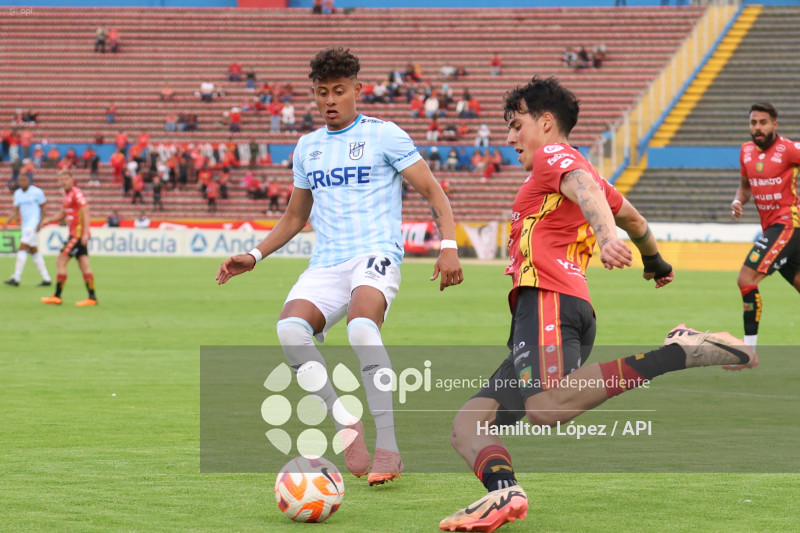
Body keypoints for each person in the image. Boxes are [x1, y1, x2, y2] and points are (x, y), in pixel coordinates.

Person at [438, 76, 754, 532]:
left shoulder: (555, 157)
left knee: (545, 407)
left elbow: (583, 185)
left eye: (515, 125)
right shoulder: (577, 174)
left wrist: (607, 241)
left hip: (550, 300)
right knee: (468, 426)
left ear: (546, 123)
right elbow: (635, 218)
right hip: (551, 312)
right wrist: (656, 261)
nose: (509, 138)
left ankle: (677, 352)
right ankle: (503, 493)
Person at [217, 47, 463, 486]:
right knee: (290, 330)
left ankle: (388, 447)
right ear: (313, 94)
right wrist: (254, 256)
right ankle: (347, 421)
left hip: (375, 254)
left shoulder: (385, 135)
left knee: (361, 328)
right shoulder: (307, 147)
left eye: (339, 91)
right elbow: (295, 217)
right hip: (326, 263)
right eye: (322, 92)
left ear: (357, 90)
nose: (330, 99)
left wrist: (448, 245)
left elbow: (434, 192)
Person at [730, 102, 800, 355]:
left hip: (787, 225)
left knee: (746, 280)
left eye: (763, 123)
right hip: (772, 228)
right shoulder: (746, 151)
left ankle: (748, 353)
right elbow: (745, 187)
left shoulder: (789, 149)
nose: (757, 128)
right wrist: (738, 200)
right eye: (753, 123)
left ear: (774, 125)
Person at [40, 171, 98, 306]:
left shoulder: (76, 193)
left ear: (72, 180)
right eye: (62, 179)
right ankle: (92, 298)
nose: (64, 181)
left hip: (77, 235)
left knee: (61, 261)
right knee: (84, 266)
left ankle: (57, 296)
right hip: (75, 234)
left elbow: (86, 211)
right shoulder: (66, 195)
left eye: (66, 179)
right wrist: (48, 221)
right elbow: (62, 213)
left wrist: (85, 233)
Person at [2, 174, 52, 287]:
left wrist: (40, 222)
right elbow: (14, 211)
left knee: (22, 248)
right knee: (34, 250)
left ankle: (16, 277)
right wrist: (6, 223)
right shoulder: (18, 193)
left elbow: (44, 208)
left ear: (29, 180)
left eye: (24, 180)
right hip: (25, 226)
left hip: (33, 225)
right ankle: (46, 278)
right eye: (20, 180)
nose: (22, 182)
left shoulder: (37, 192)